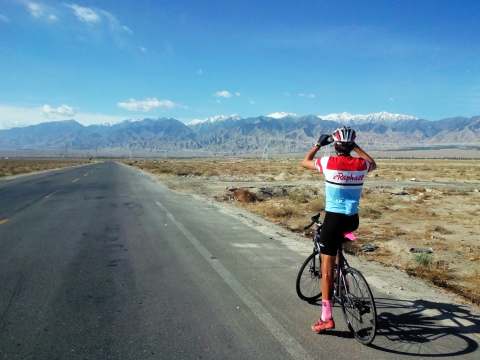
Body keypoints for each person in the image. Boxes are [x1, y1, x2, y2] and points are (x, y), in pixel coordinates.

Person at [300, 126, 376, 333]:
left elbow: (304, 162)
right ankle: (342, 275)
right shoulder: (361, 164)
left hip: (333, 221)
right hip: (352, 221)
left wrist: (317, 144)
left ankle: (326, 318)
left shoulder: (328, 162)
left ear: (335, 146)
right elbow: (373, 164)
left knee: (326, 271)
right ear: (351, 146)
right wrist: (356, 147)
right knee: (337, 248)